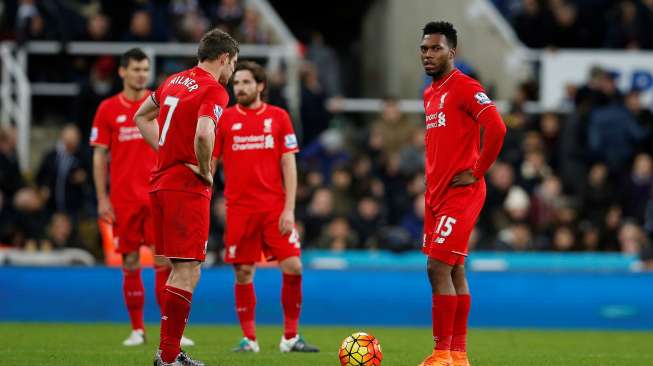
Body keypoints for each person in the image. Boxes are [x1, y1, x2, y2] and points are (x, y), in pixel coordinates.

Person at [134, 29, 238, 366]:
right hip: (186, 188)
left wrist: (165, 151)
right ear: (224, 58)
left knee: (182, 269)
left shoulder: (173, 81)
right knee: (187, 271)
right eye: (233, 64)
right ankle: (167, 356)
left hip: (160, 184)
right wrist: (206, 170)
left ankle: (170, 352)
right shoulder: (214, 90)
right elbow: (205, 133)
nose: (232, 72)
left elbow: (141, 116)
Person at [212, 61, 319, 353]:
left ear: (260, 86)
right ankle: (249, 339)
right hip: (239, 210)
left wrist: (289, 209)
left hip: (274, 208)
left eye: (246, 82)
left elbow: (289, 165)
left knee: (294, 267)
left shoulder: (278, 117)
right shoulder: (225, 119)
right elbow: (212, 163)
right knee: (243, 273)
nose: (240, 88)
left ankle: (290, 337)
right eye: (236, 83)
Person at [90, 48, 195, 347]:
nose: (141, 74)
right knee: (131, 260)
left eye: (145, 69)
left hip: (158, 195)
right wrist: (102, 197)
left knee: (165, 262)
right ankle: (137, 329)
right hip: (123, 199)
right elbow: (100, 156)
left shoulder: (162, 104)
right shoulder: (107, 109)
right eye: (135, 69)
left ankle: (171, 331)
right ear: (122, 72)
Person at [418, 21, 506, 366]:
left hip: (463, 192)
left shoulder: (465, 87)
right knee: (453, 270)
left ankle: (442, 354)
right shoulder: (430, 94)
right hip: (436, 194)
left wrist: (478, 170)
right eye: (424, 48)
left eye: (436, 48)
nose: (428, 54)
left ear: (451, 52)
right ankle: (458, 356)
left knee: (436, 268)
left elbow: (496, 127)